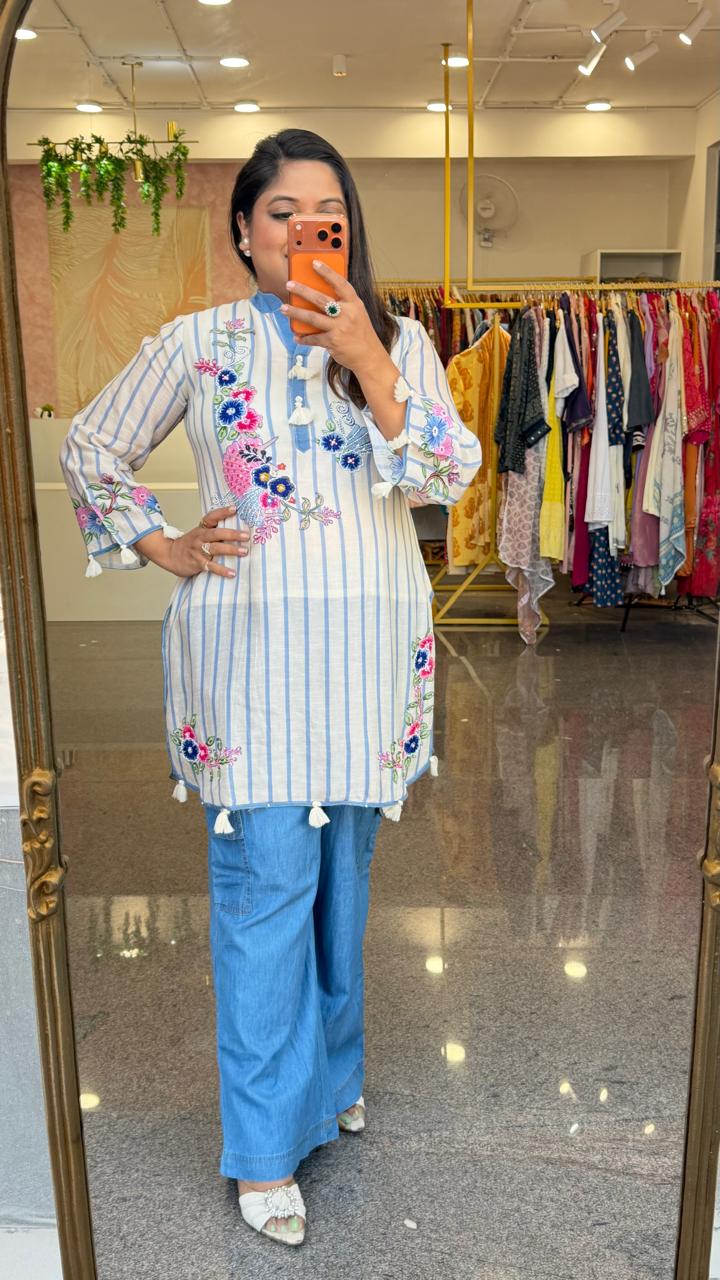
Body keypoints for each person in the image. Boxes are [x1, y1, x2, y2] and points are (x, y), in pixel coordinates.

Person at [59, 128, 482, 1248]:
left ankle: (330, 1084)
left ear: (348, 229)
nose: (303, 230)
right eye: (281, 212)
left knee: (343, 896)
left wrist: (369, 357)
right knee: (263, 900)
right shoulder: (197, 345)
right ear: (244, 231)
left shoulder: (397, 340)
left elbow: (449, 475)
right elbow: (92, 447)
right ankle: (260, 1149)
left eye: (324, 212)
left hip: (369, 670)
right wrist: (162, 543)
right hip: (252, 676)